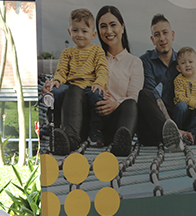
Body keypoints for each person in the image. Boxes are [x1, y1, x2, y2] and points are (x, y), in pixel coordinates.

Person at [138, 14, 196, 150]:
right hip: (159, 123)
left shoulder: (184, 60)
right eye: (157, 34)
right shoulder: (145, 61)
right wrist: (173, 127)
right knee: (144, 94)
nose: (162, 38)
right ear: (152, 40)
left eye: (165, 33)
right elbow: (153, 95)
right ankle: (174, 135)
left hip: (185, 119)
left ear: (172, 35)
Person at [43, 8, 108, 152]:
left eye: (84, 31)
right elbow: (61, 70)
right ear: (69, 32)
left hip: (89, 87)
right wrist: (57, 80)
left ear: (93, 34)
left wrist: (99, 83)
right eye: (75, 30)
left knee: (97, 96)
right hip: (70, 87)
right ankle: (53, 124)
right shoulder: (67, 52)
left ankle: (95, 130)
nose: (79, 35)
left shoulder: (97, 51)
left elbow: (102, 69)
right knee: (56, 92)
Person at [93, 5, 143, 156]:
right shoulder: (94, 59)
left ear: (122, 27)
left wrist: (116, 104)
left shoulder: (134, 62)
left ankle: (122, 142)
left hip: (119, 119)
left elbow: (134, 96)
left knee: (130, 103)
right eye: (103, 26)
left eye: (113, 25)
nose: (108, 31)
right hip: (96, 120)